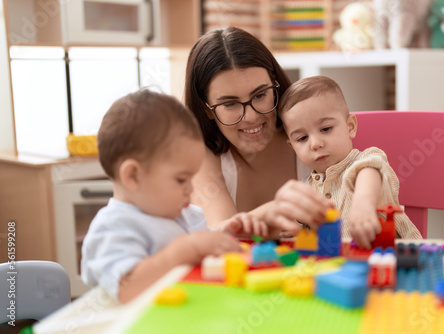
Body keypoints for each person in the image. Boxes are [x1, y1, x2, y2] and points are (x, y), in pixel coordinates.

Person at [81, 89, 270, 303]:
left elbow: (204, 247)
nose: (190, 189)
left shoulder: (186, 215)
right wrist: (187, 249)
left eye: (191, 178)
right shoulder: (113, 227)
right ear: (133, 176)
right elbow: (128, 288)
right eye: (181, 180)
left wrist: (226, 233)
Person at [184, 27, 332, 234]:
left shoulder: (313, 136)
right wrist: (267, 213)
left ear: (275, 84)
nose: (251, 117)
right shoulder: (202, 156)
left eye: (260, 95)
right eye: (229, 104)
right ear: (206, 109)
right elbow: (218, 232)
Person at [278, 76, 422, 248]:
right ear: (292, 146)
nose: (315, 144)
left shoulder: (366, 161)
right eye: (302, 138)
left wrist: (363, 202)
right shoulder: (306, 190)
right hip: (341, 266)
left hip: (399, 259)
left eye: (325, 129)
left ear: (350, 127)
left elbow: (369, 171)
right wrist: (292, 230)